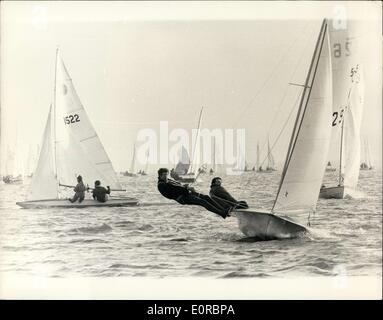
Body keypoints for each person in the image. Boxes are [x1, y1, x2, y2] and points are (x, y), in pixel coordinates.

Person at [157, 168, 230, 219]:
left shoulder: (168, 180)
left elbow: (178, 185)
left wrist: (185, 186)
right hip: (182, 198)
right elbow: (171, 193)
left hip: (187, 193)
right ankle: (222, 213)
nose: (166, 176)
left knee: (206, 197)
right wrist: (186, 188)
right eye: (164, 175)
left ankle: (223, 209)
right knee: (202, 202)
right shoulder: (161, 185)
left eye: (167, 174)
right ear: (160, 175)